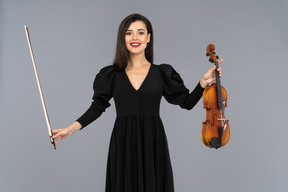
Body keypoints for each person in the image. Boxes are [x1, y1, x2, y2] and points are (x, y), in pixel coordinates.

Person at [52, 13, 222, 192]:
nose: (135, 38)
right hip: (123, 142)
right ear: (122, 38)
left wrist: (203, 82)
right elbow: (97, 107)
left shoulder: (162, 73)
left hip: (153, 142)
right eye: (129, 33)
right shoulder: (111, 75)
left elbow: (187, 102)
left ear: (148, 38)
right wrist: (70, 129)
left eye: (140, 33)